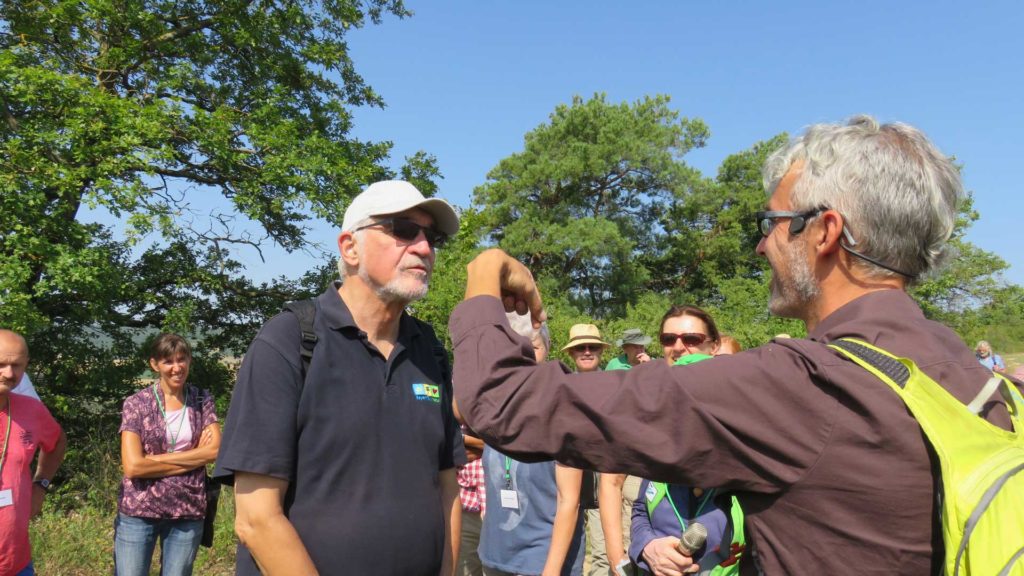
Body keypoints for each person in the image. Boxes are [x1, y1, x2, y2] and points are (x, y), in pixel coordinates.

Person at [449, 116, 1017, 573]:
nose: (761, 246)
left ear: (825, 231)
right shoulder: (984, 384)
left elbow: (501, 402)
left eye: (770, 222)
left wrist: (483, 277)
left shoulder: (802, 387)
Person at [214, 180, 465, 575]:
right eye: (403, 229)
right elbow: (256, 519)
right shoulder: (291, 341)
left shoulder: (429, 350)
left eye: (431, 237)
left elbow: (447, 488)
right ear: (350, 247)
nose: (424, 247)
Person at [629, 308, 739, 576]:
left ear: (713, 346)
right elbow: (642, 507)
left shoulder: (744, 418)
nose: (678, 347)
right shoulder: (655, 419)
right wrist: (647, 547)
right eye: (668, 339)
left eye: (691, 338)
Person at [479, 312, 585, 576]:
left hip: (543, 560)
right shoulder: (495, 407)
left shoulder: (564, 410)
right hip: (495, 556)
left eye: (533, 346)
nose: (523, 354)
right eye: (514, 345)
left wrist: (550, 571)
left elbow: (568, 500)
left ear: (546, 350)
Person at [115, 333, 220, 576]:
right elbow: (133, 467)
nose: (176, 368)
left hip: (188, 507)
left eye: (181, 359)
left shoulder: (201, 399)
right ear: (155, 364)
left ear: (189, 361)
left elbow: (215, 450)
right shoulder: (137, 404)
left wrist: (153, 460)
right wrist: (195, 456)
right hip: (140, 510)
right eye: (168, 361)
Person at [0, 329, 66, 576]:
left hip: (15, 562)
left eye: (17, 365)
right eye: (1, 364)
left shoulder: (31, 410)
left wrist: (41, 485)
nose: (9, 373)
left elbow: (57, 441)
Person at [561, 324, 610, 575]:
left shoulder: (615, 386)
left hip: (606, 482)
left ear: (601, 351)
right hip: (570, 483)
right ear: (572, 353)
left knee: (603, 556)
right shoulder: (562, 388)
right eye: (581, 347)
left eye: (593, 347)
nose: (587, 352)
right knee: (571, 551)